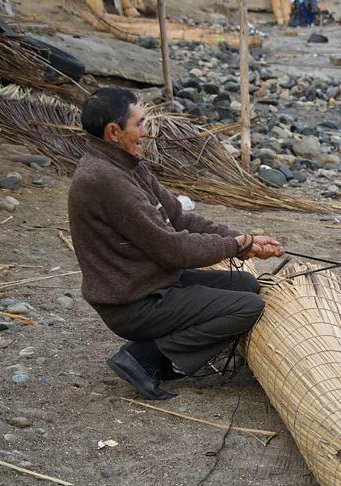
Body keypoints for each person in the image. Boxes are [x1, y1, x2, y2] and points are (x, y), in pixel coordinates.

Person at [68, 88, 284, 400]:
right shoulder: (105, 180)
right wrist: (235, 245)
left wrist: (244, 241)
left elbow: (179, 219)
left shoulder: (127, 165)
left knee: (246, 285)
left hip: (154, 284)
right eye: (139, 124)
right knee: (248, 307)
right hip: (133, 303)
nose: (145, 132)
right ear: (114, 132)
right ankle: (145, 358)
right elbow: (174, 251)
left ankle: (166, 357)